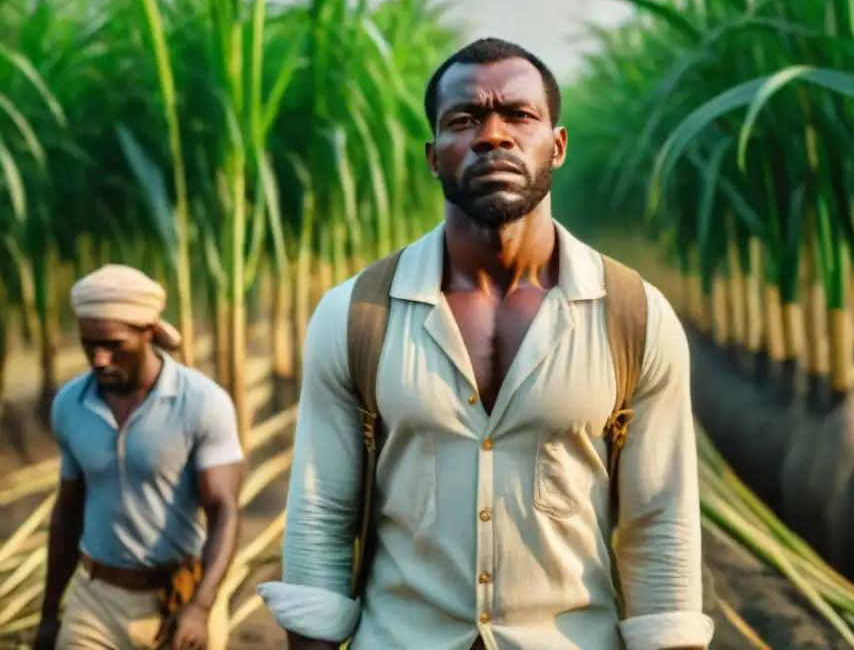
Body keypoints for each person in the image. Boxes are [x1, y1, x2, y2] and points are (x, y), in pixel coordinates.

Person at [259, 37, 714, 649]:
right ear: (433, 155)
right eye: (464, 119)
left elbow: (660, 523)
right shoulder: (355, 315)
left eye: (518, 116)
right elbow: (321, 512)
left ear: (557, 146)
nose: (491, 135)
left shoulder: (633, 316)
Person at [33, 264, 245, 650]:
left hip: (177, 599)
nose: (98, 359)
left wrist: (200, 607)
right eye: (88, 344)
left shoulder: (201, 402)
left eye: (113, 344)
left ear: (149, 331)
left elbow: (224, 511)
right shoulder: (70, 404)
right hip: (96, 600)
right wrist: (49, 614)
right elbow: (68, 507)